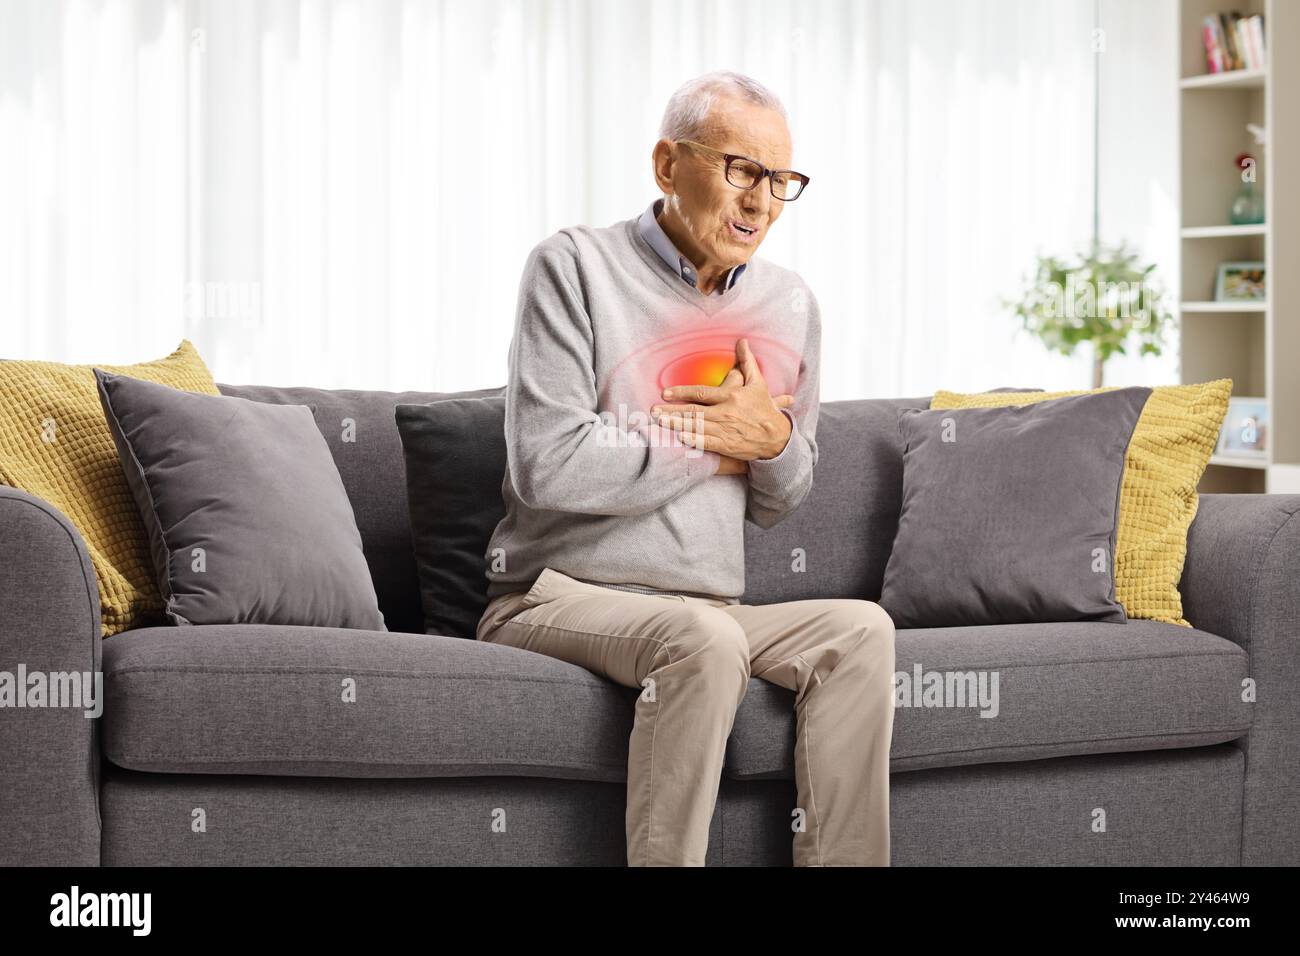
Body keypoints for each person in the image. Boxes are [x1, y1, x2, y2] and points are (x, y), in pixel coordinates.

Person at [477, 70, 895, 867]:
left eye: (780, 180)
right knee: (703, 638)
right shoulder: (573, 267)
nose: (762, 202)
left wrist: (767, 446)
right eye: (741, 169)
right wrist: (718, 438)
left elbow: (783, 495)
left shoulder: (790, 304)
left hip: (706, 605)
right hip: (553, 596)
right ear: (669, 166)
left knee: (860, 631)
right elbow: (547, 464)